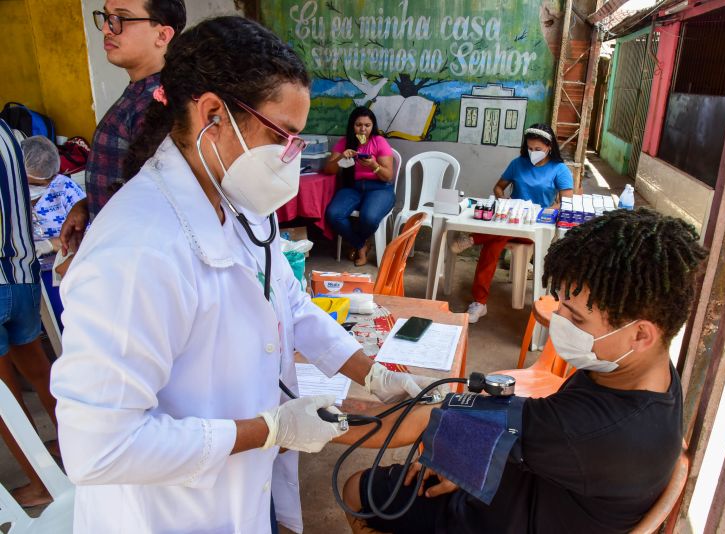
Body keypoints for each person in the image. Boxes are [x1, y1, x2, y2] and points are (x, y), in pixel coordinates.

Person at [50, 17, 441, 534]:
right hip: (168, 514)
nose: (291, 156)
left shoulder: (238, 199)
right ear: (212, 114)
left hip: (238, 497)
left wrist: (370, 372)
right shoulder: (137, 250)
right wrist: (269, 429)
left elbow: (290, 304)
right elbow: (99, 449)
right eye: (284, 134)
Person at [340, 208, 708, 534]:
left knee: (358, 488)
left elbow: (424, 418)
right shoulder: (645, 373)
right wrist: (466, 455)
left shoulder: (591, 429)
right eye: (562, 304)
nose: (558, 318)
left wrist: (314, 424)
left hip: (507, 519)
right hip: (538, 490)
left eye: (575, 316)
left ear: (641, 333)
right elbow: (532, 438)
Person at [58, 0, 186, 256]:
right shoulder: (140, 93)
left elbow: (163, 203)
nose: (106, 29)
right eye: (106, 18)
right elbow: (133, 181)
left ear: (162, 34)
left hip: (138, 258)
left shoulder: (159, 102)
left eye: (121, 19)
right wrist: (89, 204)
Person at [451, 124, 573, 323]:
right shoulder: (518, 163)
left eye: (538, 149)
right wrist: (503, 200)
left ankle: (473, 239)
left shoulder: (560, 170)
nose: (533, 153)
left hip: (534, 226)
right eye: (530, 148)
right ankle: (479, 303)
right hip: (510, 220)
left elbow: (567, 201)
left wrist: (550, 210)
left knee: (495, 237)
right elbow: (499, 188)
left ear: (549, 147)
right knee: (495, 242)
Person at [0, 120, 60, 508]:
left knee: (5, 396)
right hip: (22, 274)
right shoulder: (7, 131)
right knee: (40, 372)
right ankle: (76, 455)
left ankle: (42, 482)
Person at [21, 136, 87, 330]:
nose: (44, 185)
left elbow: (88, 232)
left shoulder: (64, 188)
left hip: (62, 267)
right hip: (24, 270)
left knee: (65, 322)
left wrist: (50, 244)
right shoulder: (12, 192)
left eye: (44, 182)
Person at [324, 107, 395, 266]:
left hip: (379, 188)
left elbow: (388, 176)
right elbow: (328, 170)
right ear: (352, 125)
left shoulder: (379, 142)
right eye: (358, 125)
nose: (363, 129)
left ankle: (358, 245)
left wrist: (373, 165)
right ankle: (362, 245)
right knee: (333, 214)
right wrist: (341, 157)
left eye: (367, 125)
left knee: (368, 218)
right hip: (353, 187)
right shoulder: (344, 142)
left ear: (373, 126)